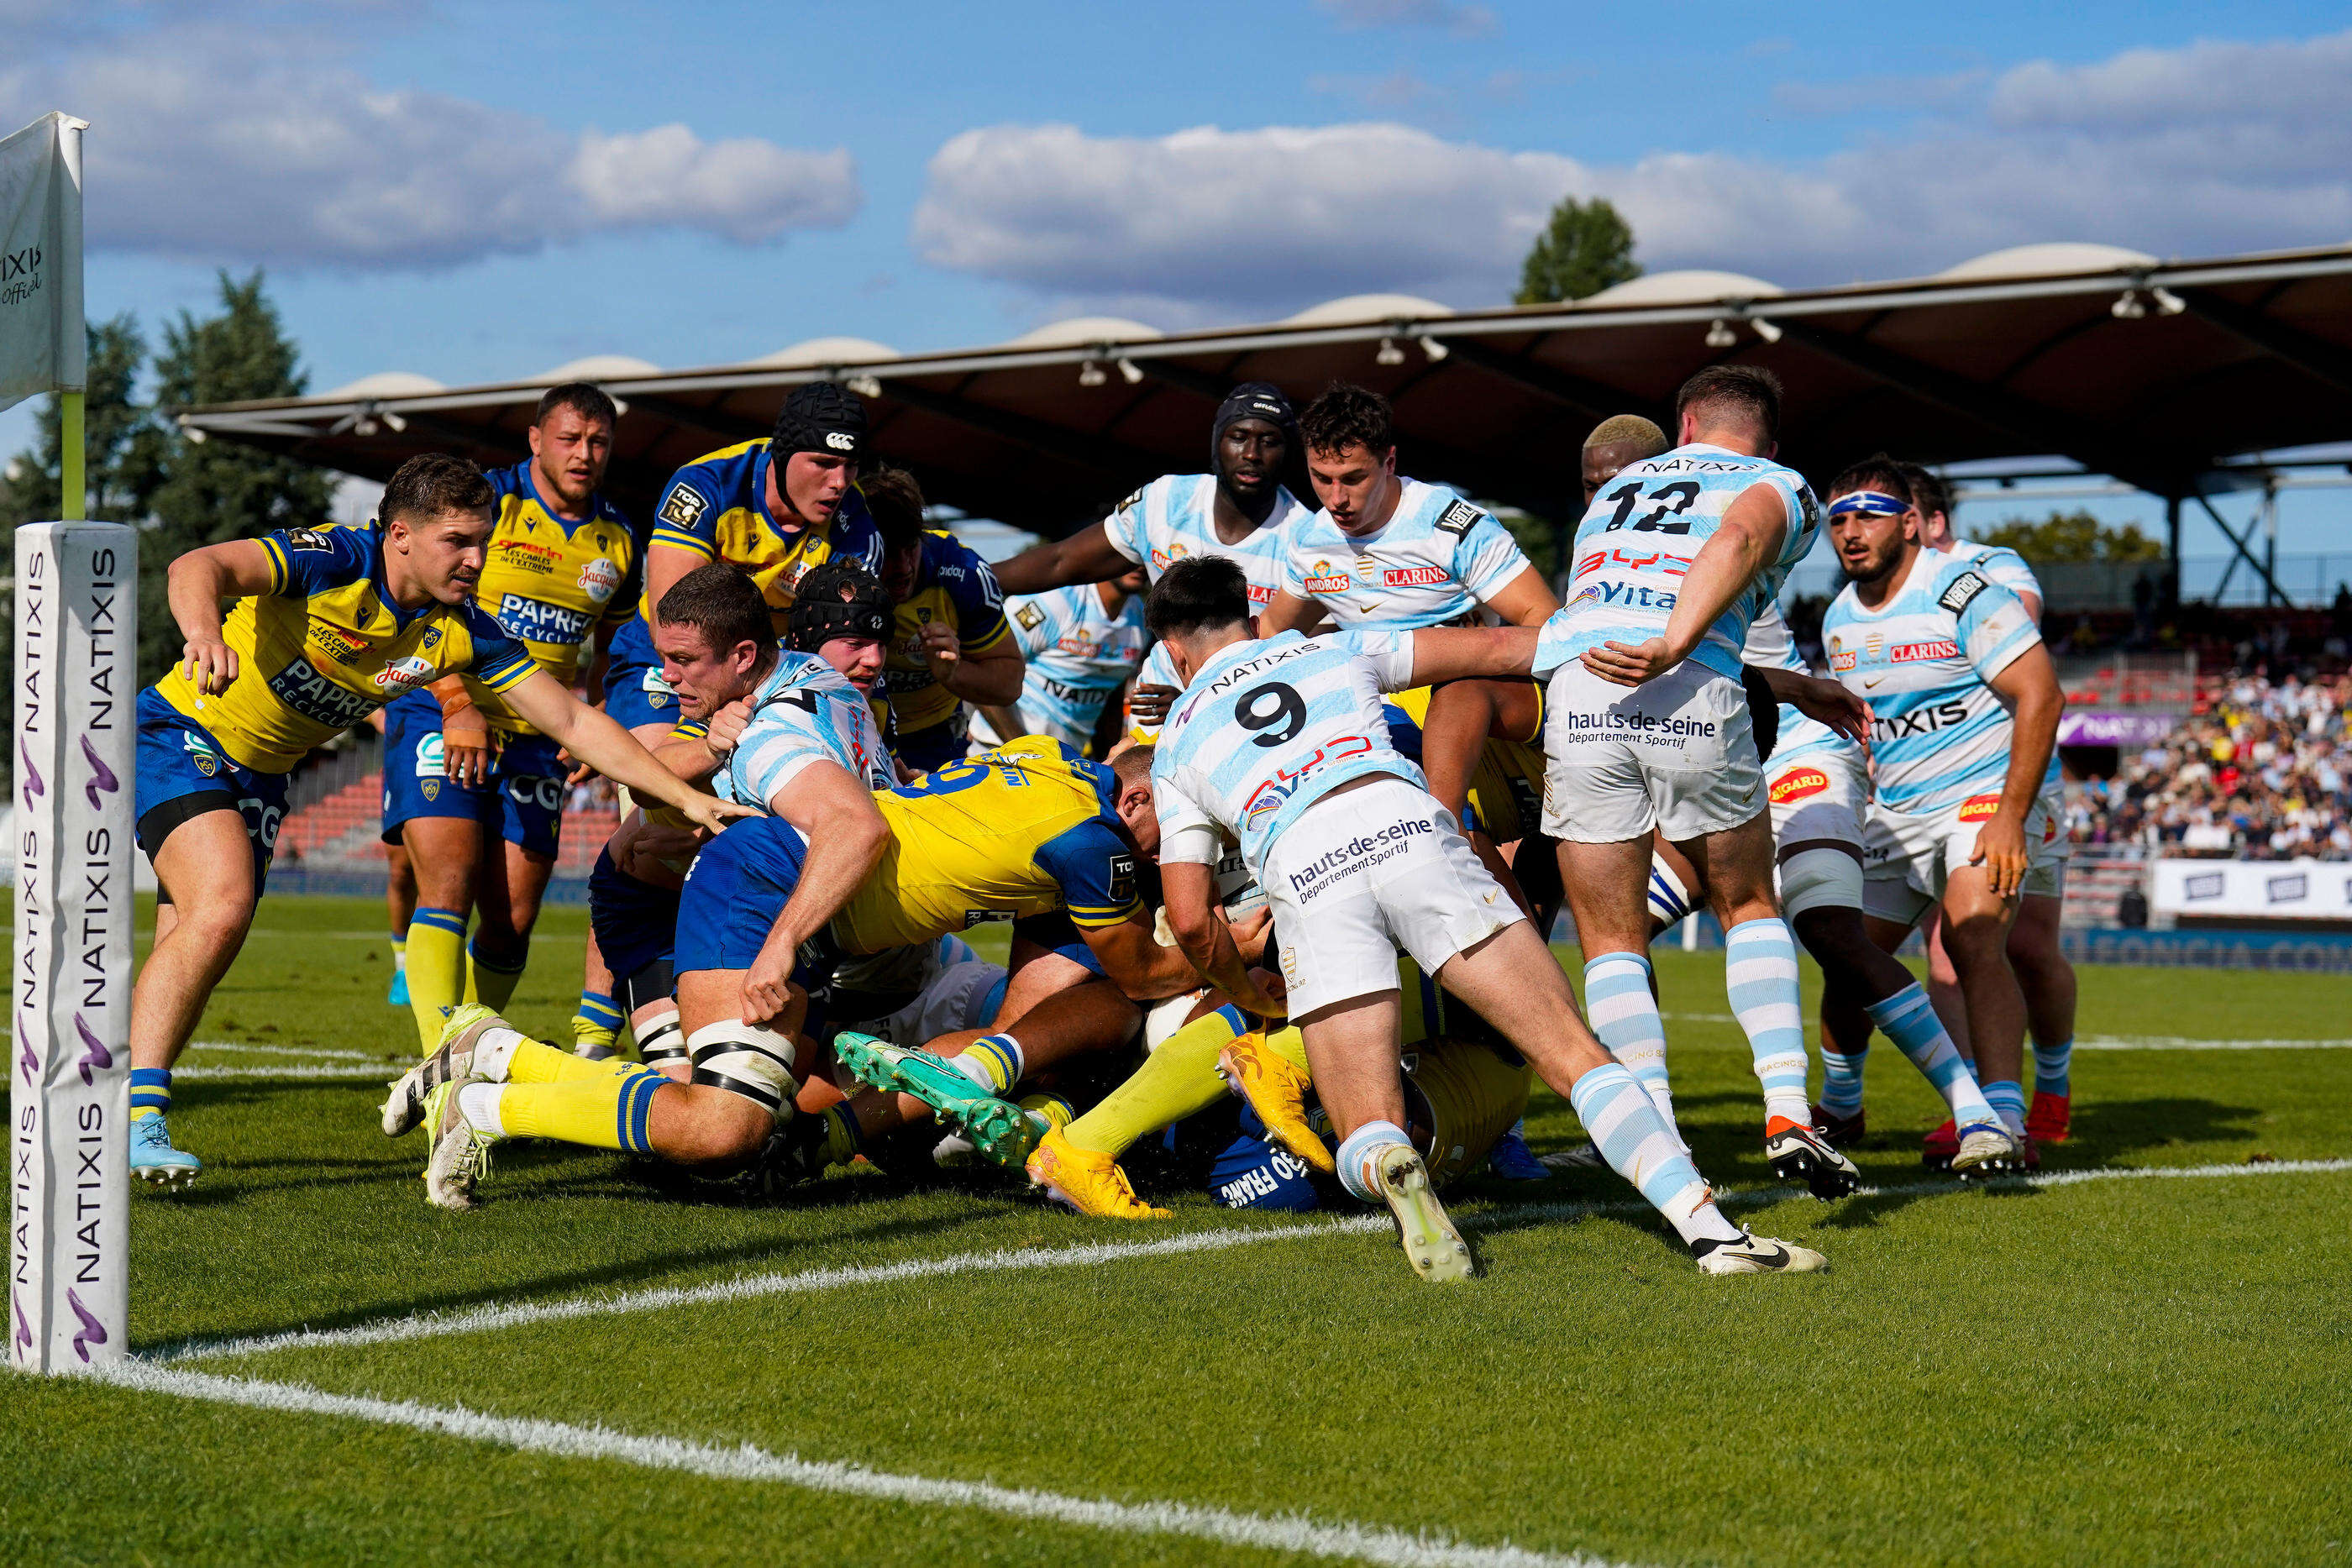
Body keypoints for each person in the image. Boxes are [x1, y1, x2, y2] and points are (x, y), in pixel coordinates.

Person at [1147, 555, 1824, 1279]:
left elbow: (1191, 921)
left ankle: (1390, 1161)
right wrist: (1671, 639)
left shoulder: (1175, 741)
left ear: (1176, 652)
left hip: (1306, 867)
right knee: (1572, 1052)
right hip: (1407, 826)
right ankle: (1712, 1232)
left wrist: (1249, 993)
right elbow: (1511, 647)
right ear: (1250, 617)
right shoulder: (1333, 644)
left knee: (1362, 1129)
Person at [129, 454, 745, 1182]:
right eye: (458, 541)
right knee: (223, 905)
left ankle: (121, 1112)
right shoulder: (336, 558)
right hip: (179, 734)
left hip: (263, 776)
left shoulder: (464, 630)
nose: (477, 559)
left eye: (483, 540)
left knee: (194, 937)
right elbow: (197, 566)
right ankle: (140, 1122)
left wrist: (684, 794)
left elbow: (575, 721)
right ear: (400, 536)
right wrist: (203, 634)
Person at [1535, 367, 1855, 1189]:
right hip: (1687, 686)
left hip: (1579, 690)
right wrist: (1676, 642)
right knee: (1745, 902)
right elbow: (1737, 540)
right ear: (1769, 440)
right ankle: (1787, 1109)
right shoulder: (1778, 481)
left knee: (1609, 937)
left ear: (1682, 427)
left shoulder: (1617, 487)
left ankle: (1655, 1146)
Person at [1257, 381, 1561, 1177]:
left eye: (1353, 478)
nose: (1337, 499)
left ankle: (1507, 1108)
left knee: (1494, 929)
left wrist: (1438, 646)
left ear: (1391, 462)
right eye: (1322, 481)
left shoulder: (1450, 523)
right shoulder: (1309, 537)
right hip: (1367, 736)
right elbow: (1266, 640)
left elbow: (1542, 625)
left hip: (1464, 732)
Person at [572, 381, 885, 1057]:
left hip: (762, 672)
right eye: (822, 465)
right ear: (781, 454)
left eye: (850, 467)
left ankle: (722, 997)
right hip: (675, 665)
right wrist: (711, 730)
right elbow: (675, 615)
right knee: (657, 816)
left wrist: (773, 688)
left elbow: (841, 633)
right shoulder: (707, 486)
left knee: (766, 826)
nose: (838, 483)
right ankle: (596, 1026)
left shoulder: (858, 524)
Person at [378, 384, 639, 1051]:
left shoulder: (619, 540)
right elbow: (422, 606)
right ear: (535, 440)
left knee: (513, 918)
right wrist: (459, 702)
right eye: (570, 438)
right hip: (440, 704)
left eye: (599, 441)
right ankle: (448, 1065)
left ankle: (469, 1041)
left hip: (535, 737)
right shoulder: (485, 504)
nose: (585, 454)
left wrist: (599, 705)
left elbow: (613, 643)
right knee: (449, 883)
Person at [1817, 459, 2066, 1159]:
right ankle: (1841, 1107)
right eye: (1837, 520)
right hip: (1896, 813)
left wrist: (2012, 815)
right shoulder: (1839, 617)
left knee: (1971, 935)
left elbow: (2042, 695)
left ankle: (2004, 1121)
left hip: (1982, 798)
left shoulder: (1963, 593)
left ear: (1909, 523)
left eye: (1866, 515)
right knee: (1845, 954)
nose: (1849, 532)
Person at [1902, 462, 2079, 1150]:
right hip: (1934, 790)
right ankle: (1976, 1101)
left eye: (1905, 516)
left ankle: (2054, 1090)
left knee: (2031, 948)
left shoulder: (1991, 565)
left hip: (2020, 779)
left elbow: (2020, 626)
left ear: (1933, 522)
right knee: (1948, 954)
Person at [990, 382, 1311, 740]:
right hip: (1153, 715)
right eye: (1239, 436)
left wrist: (1195, 701)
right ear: (1218, 441)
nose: (1252, 453)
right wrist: (965, 575)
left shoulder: (1306, 539)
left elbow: (1304, 658)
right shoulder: (1167, 501)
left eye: (1270, 441)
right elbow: (1061, 560)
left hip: (1253, 721)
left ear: (1288, 453)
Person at [862, 466, 1023, 770]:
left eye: (911, 549)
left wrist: (954, 672)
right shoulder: (836, 564)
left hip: (932, 738)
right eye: (889, 552)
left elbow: (1009, 684)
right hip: (853, 729)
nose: (903, 568)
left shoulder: (962, 572)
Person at [968, 564, 1151, 754]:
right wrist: (1026, 751)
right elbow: (981, 671)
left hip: (1064, 764)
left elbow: (1112, 696)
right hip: (998, 752)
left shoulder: (1141, 619)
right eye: (1130, 551)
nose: (1138, 563)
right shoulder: (1055, 600)